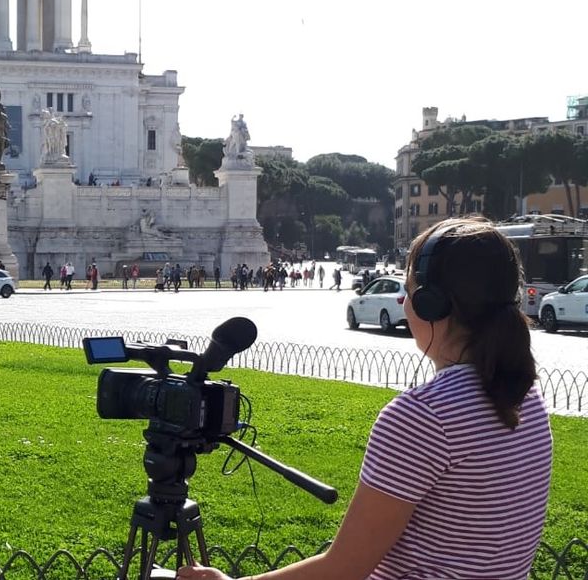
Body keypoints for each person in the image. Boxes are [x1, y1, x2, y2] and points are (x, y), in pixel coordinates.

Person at [177, 217, 552, 580]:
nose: (405, 301)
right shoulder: (526, 394)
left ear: (431, 304)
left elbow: (343, 570)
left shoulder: (423, 416)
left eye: (409, 290)